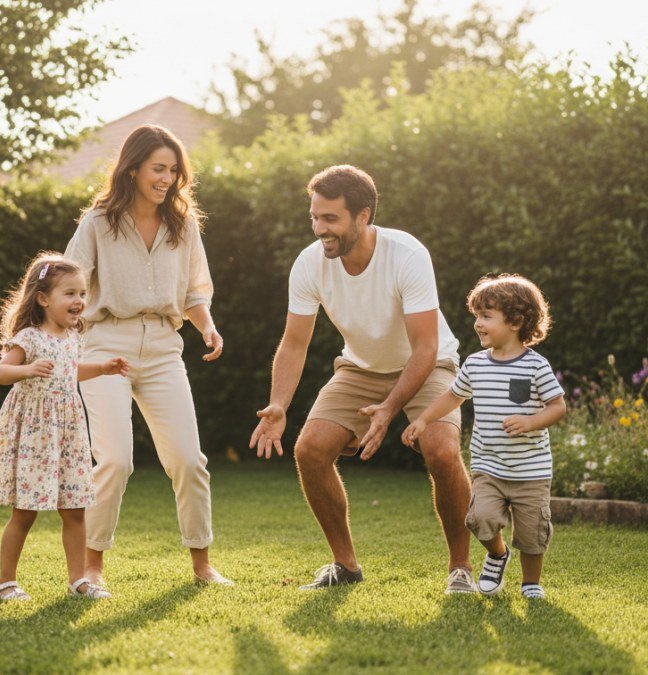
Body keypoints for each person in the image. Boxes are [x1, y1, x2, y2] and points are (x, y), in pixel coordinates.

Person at [251, 164, 477, 593]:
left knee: (442, 452)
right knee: (310, 450)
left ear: (364, 215)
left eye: (330, 219)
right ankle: (345, 565)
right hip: (360, 367)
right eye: (314, 217)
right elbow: (294, 343)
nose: (320, 229)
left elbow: (426, 347)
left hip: (427, 364)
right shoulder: (309, 264)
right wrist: (278, 404)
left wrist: (390, 409)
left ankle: (461, 566)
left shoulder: (406, 254)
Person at [64, 124, 232, 591]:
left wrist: (208, 326)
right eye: (159, 168)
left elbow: (196, 291)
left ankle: (202, 565)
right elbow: (69, 283)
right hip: (105, 345)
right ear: (133, 168)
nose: (167, 178)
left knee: (189, 460)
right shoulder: (98, 222)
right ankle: (91, 570)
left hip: (162, 348)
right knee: (115, 460)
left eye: (174, 170)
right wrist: (57, 338)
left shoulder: (184, 225)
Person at [403, 273, 566, 599]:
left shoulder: (535, 366)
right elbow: (452, 397)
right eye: (476, 315)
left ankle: (531, 583)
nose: (478, 323)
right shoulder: (475, 365)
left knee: (533, 533)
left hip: (530, 471)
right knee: (479, 519)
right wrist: (422, 420)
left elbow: (558, 406)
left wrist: (532, 421)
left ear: (516, 321)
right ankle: (497, 553)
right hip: (489, 466)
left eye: (486, 316)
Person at [0, 253, 129, 601]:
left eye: (81, 294)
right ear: (43, 298)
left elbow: (69, 371)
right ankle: (5, 582)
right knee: (25, 512)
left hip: (68, 432)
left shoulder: (73, 336)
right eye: (70, 294)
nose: (79, 301)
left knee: (75, 509)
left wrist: (102, 368)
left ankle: (79, 581)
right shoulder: (29, 338)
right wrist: (27, 370)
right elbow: (0, 372)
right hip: (36, 433)